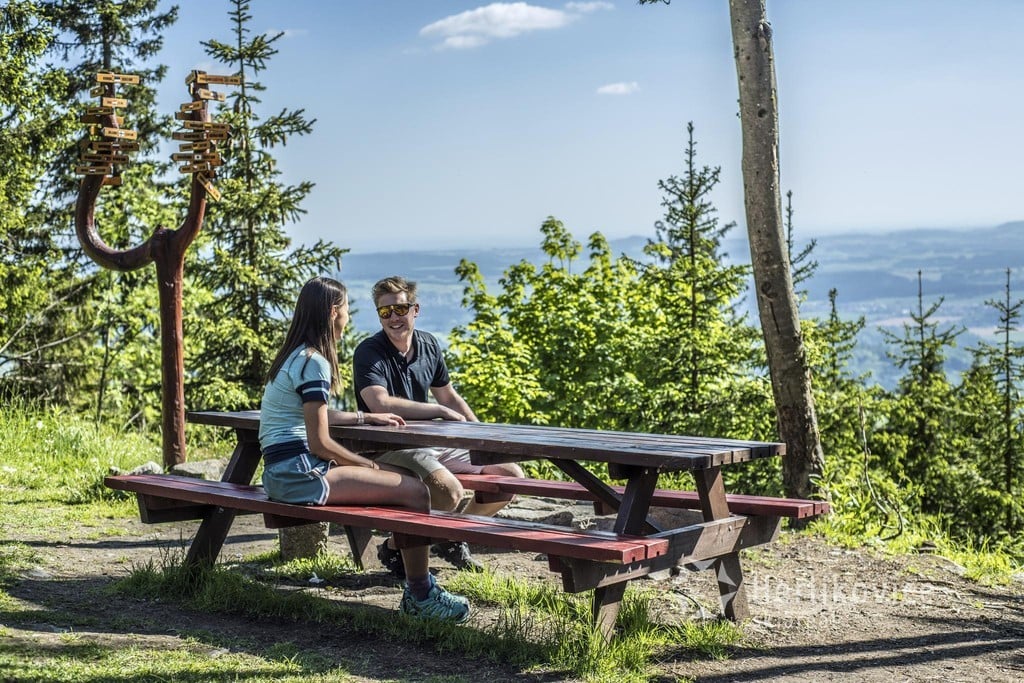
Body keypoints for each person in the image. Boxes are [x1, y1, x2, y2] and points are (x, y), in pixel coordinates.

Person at [259, 276, 470, 623]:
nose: (348, 317)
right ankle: (420, 595)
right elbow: (321, 443)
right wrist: (369, 468)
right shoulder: (315, 362)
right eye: (345, 309)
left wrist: (364, 417)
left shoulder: (295, 356)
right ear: (332, 313)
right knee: (416, 492)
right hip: (299, 473)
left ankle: (413, 578)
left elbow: (312, 412)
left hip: (283, 471)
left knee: (405, 484)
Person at [353, 275, 525, 578]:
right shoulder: (369, 352)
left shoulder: (429, 345)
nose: (394, 317)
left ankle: (450, 537)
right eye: (385, 312)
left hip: (427, 443)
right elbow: (379, 403)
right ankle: (396, 545)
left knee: (508, 477)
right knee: (447, 491)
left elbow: (449, 395)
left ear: (415, 310)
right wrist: (437, 410)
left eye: (400, 309)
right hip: (388, 447)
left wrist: (479, 433)